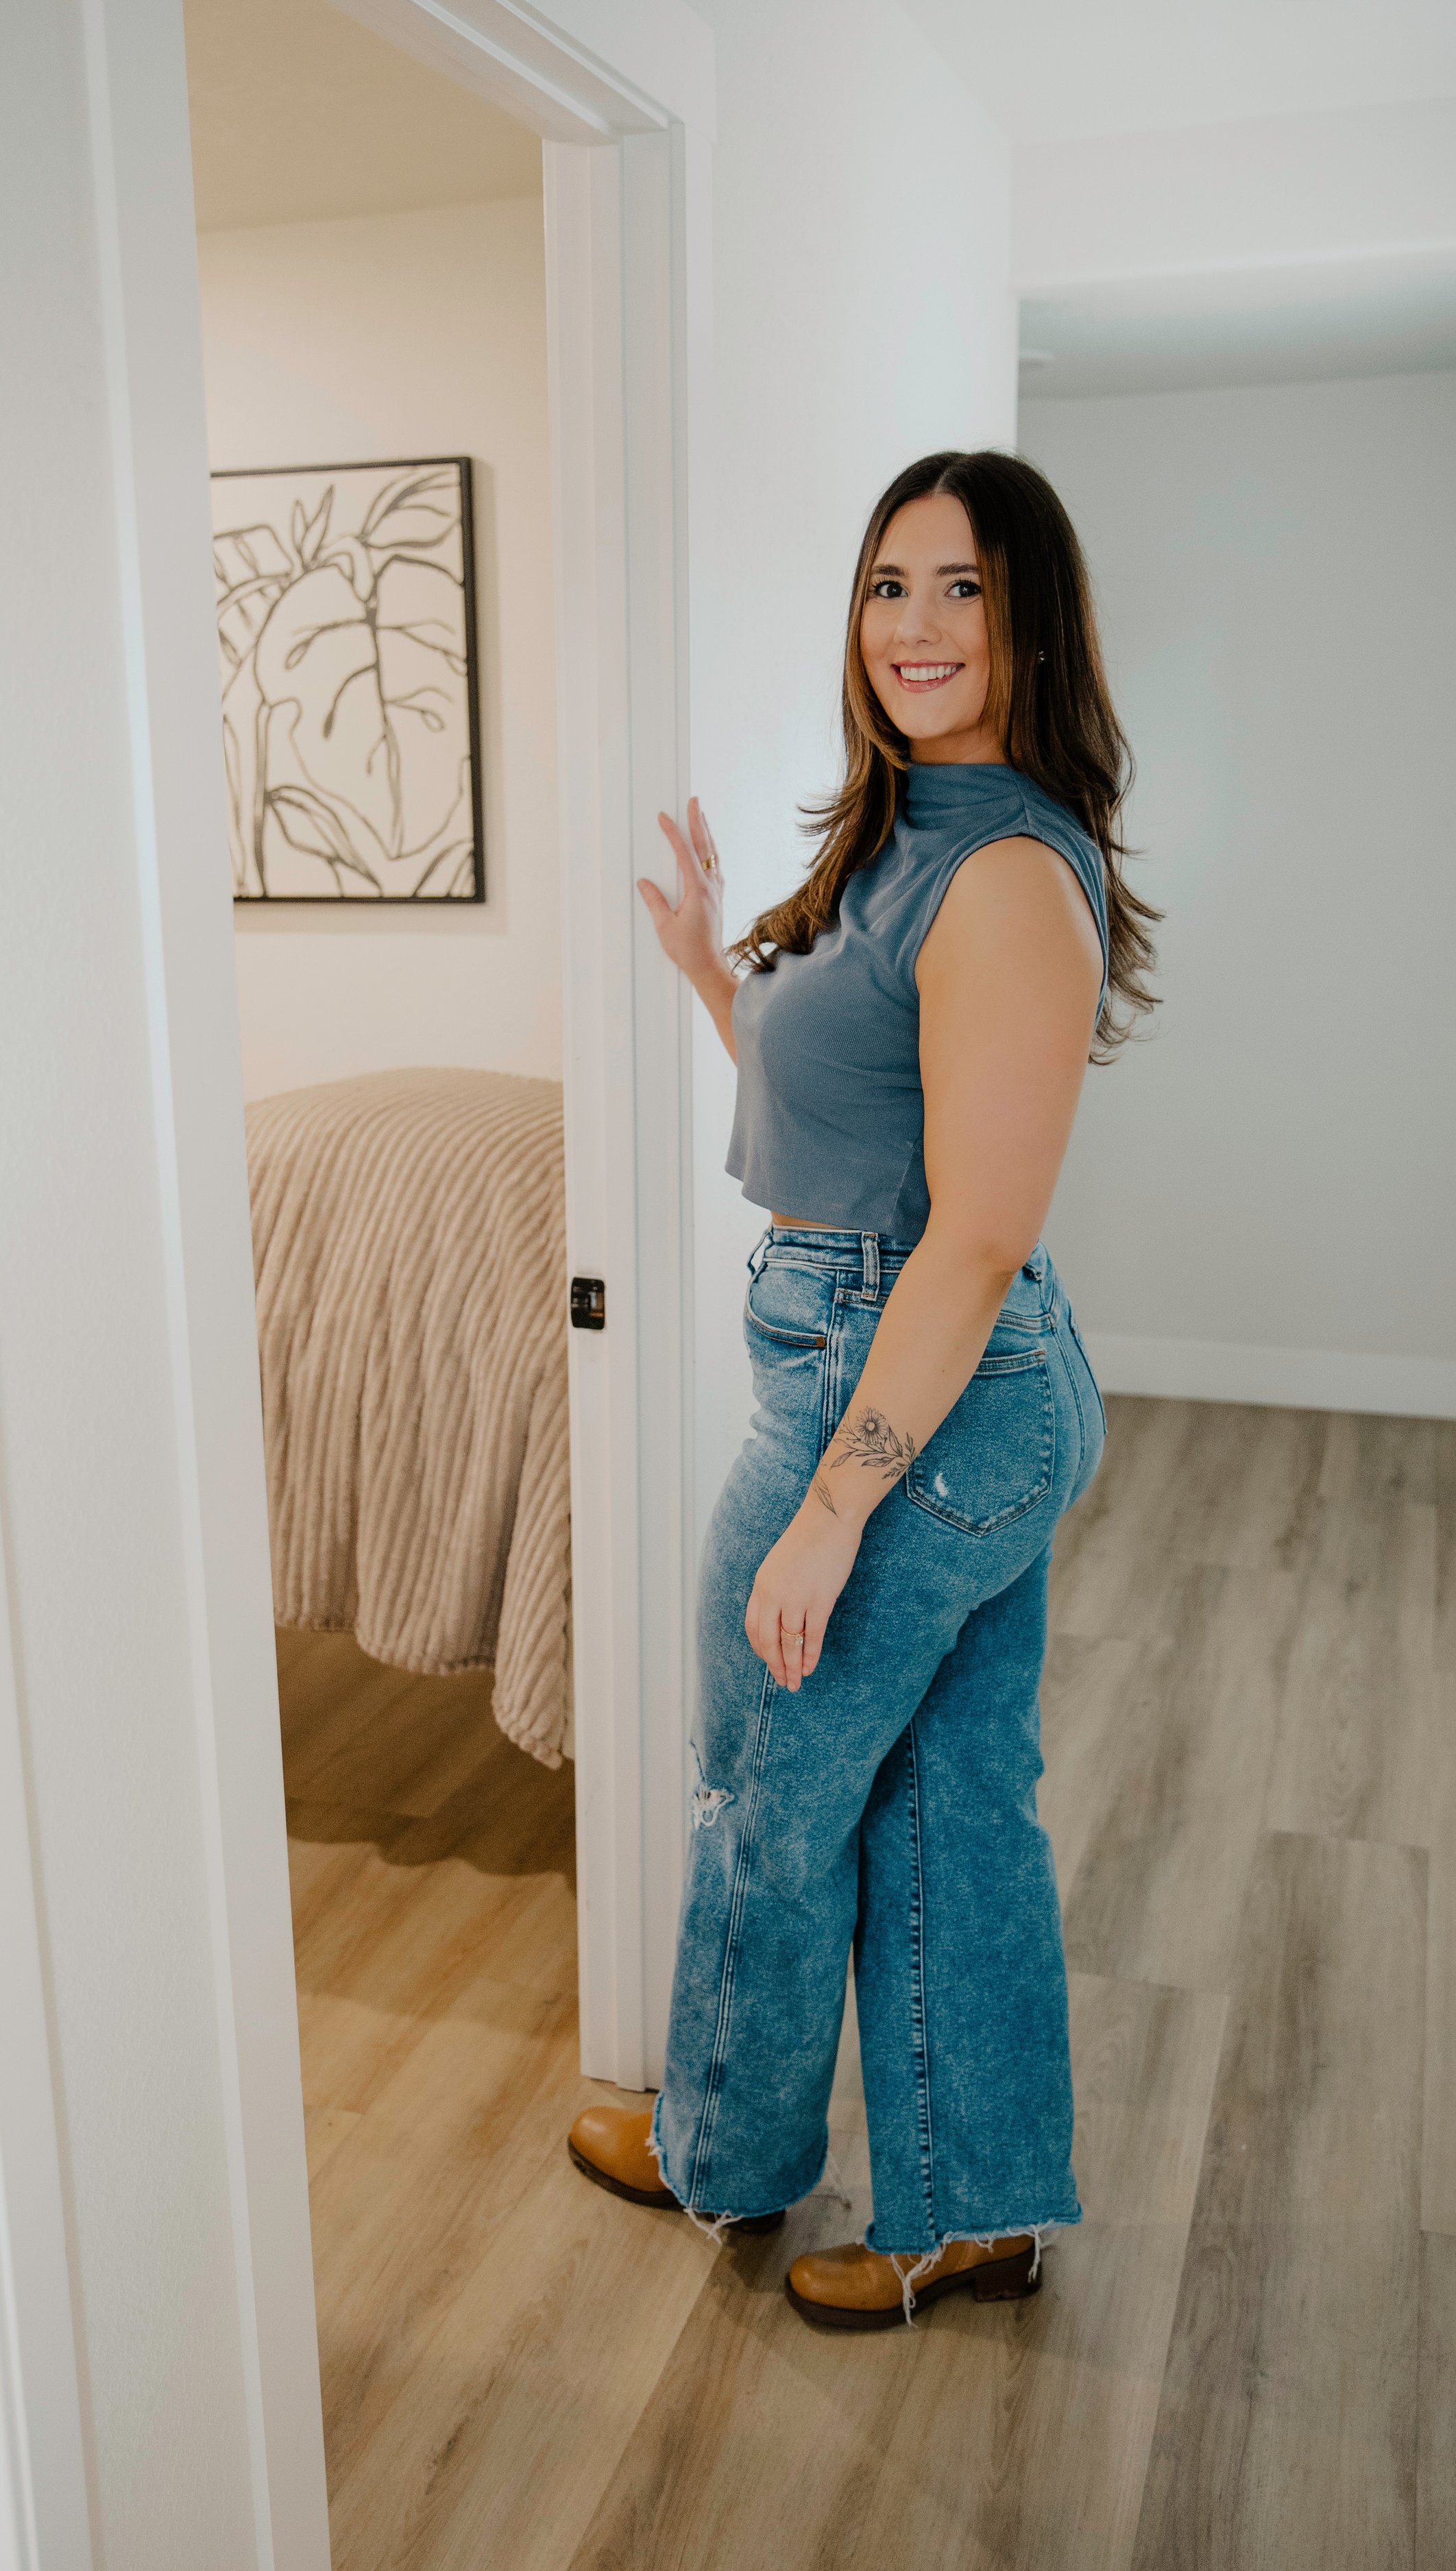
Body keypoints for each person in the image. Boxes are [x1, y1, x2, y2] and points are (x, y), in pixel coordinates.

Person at [566, 448, 1158, 2332]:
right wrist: (710, 978)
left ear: (1029, 620)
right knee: (948, 1797)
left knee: (764, 1785)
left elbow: (967, 1239)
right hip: (929, 1372)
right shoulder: (907, 833)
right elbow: (863, 1119)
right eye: (889, 583)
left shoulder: (997, 876)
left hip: (907, 1391)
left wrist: (834, 1503)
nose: (913, 623)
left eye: (962, 588)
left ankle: (720, 2156)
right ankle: (973, 2210)